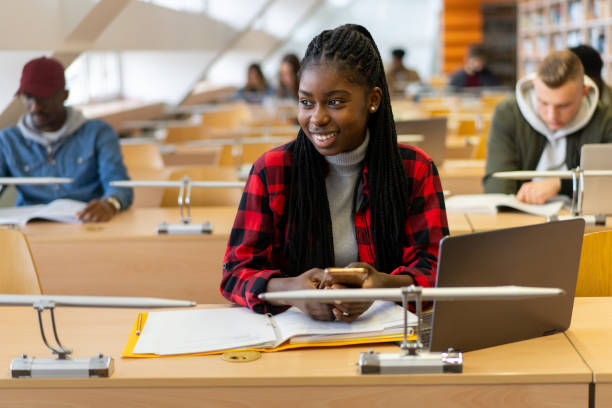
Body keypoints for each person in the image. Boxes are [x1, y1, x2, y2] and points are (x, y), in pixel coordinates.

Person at [221, 24, 448, 322]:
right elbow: (235, 273)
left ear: (373, 100)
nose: (317, 118)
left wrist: (383, 287)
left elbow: (437, 269)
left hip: (388, 338)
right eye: (306, 102)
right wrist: (293, 291)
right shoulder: (272, 170)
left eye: (335, 102)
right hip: (293, 343)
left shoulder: (414, 169)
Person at [0, 56, 133, 222]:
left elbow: (119, 185)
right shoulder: (7, 140)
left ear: (64, 95)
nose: (35, 107)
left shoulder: (98, 133)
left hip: (87, 225)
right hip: (28, 232)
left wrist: (110, 204)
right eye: (28, 97)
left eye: (43, 98)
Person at [484, 50, 612, 204]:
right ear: (533, 88)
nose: (552, 116)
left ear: (583, 93)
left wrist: (560, 184)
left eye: (564, 106)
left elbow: (606, 184)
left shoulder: (605, 119)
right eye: (543, 103)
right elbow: (497, 187)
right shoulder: (507, 113)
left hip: (581, 219)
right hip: (521, 214)